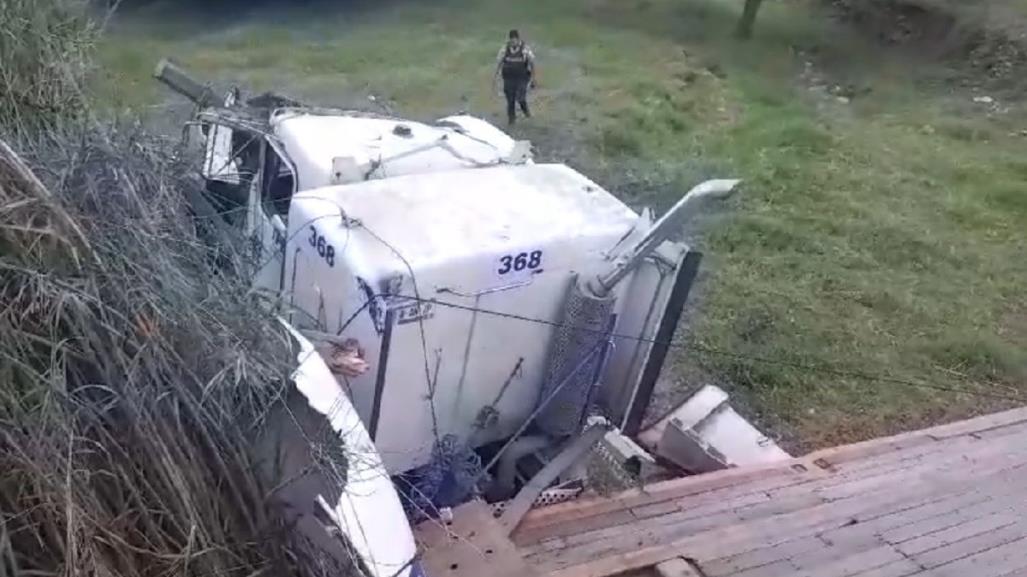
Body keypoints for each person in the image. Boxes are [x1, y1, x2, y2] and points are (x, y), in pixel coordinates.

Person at [495, 29, 537, 125]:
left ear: (518, 39)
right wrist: (495, 77)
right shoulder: (505, 49)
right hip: (509, 78)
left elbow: (532, 62)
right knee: (510, 100)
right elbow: (499, 62)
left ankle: (526, 112)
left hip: (522, 78)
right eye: (511, 40)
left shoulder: (525, 49)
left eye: (515, 40)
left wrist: (534, 79)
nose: (513, 42)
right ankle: (511, 120)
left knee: (520, 97)